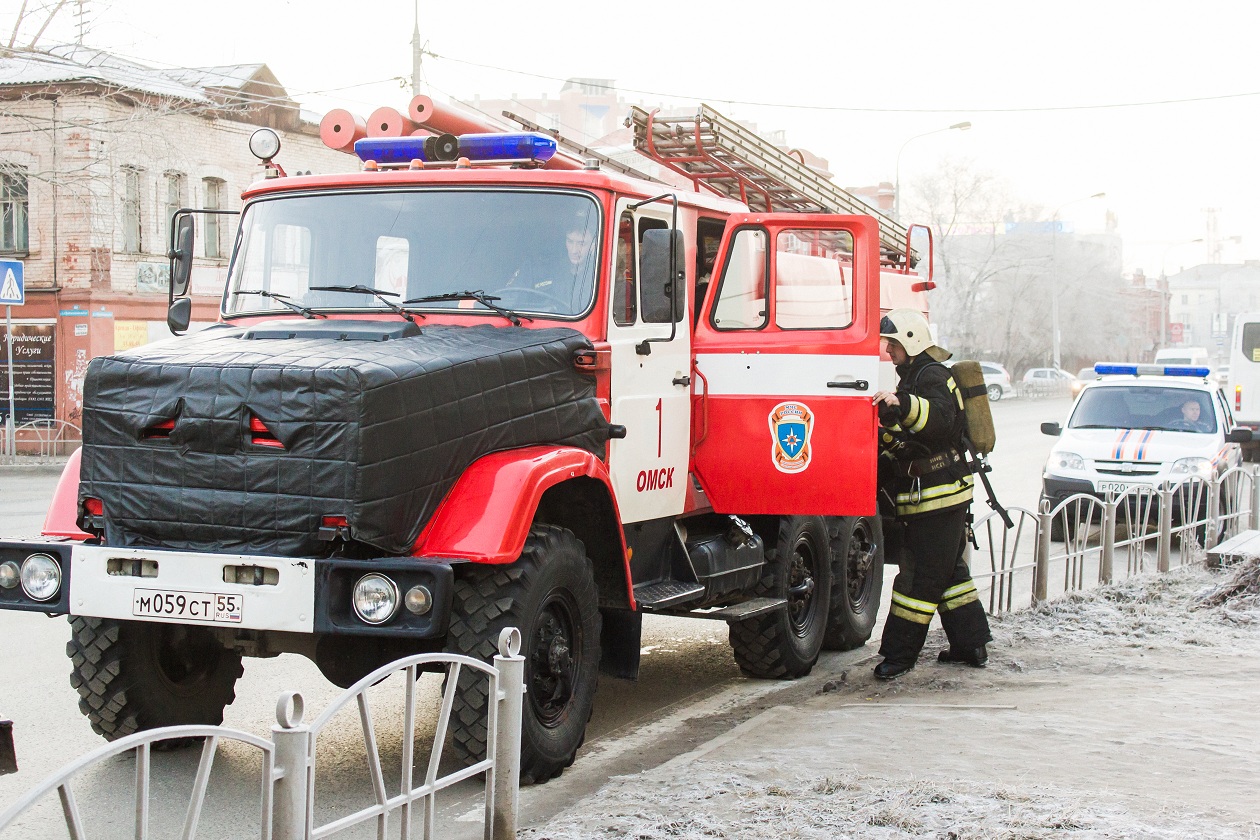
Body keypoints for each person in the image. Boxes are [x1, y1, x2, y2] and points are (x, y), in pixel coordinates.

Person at [870, 308, 993, 680]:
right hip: (933, 497)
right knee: (949, 574)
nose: (888, 351)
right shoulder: (915, 376)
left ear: (910, 340)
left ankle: (899, 656)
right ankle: (970, 645)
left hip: (939, 498)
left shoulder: (933, 375)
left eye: (892, 344)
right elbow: (914, 439)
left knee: (918, 578)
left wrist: (901, 405)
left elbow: (941, 421)